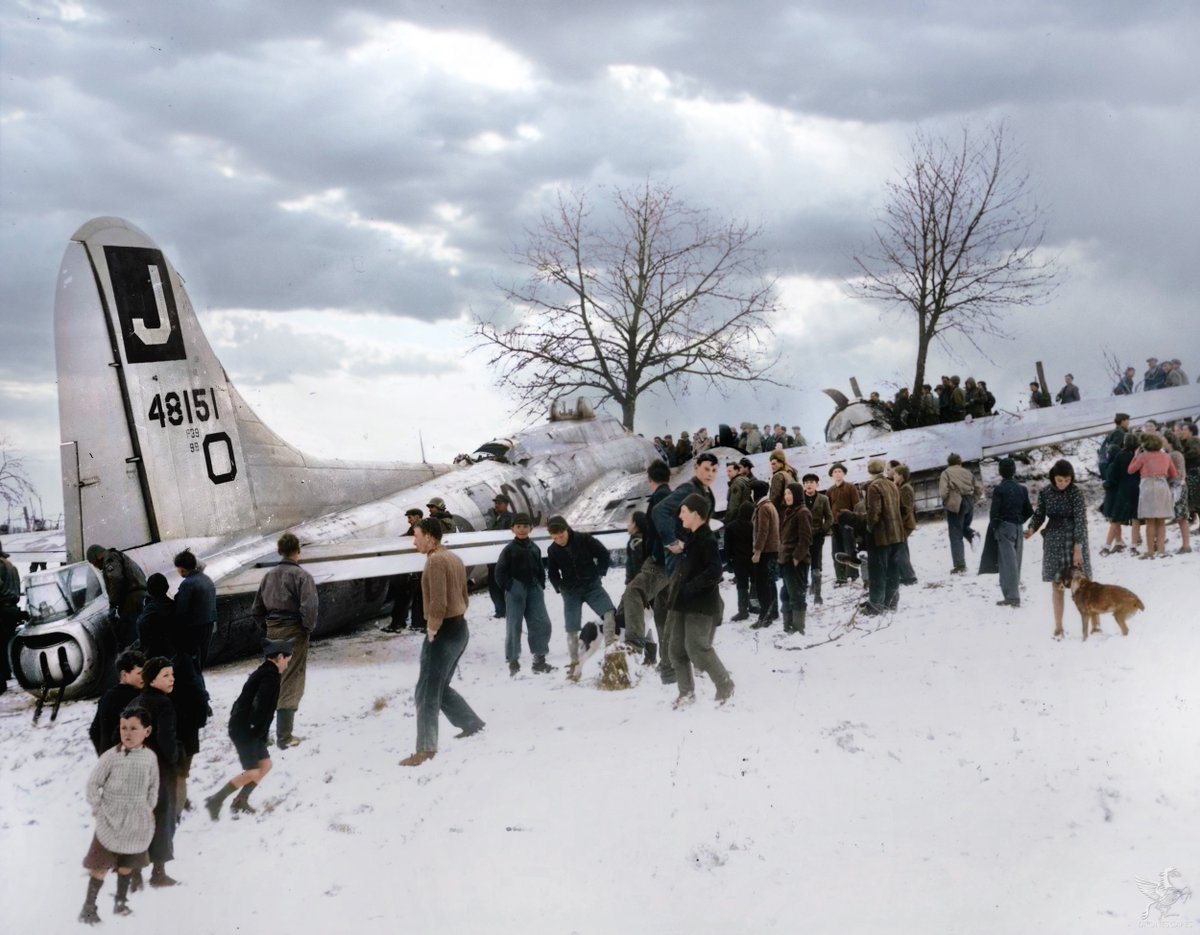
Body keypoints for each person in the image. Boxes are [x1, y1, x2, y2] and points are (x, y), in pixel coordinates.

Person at [400, 518, 486, 766]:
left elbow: (438, 602)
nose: (413, 541)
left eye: (416, 535)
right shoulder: (453, 558)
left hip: (444, 631)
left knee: (426, 691)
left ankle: (425, 749)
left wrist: (432, 629)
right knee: (439, 686)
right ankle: (471, 723)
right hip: (459, 628)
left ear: (429, 537)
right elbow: (463, 596)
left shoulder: (436, 561)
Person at [78, 707, 159, 924]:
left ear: (147, 731)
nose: (128, 733)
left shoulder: (150, 758)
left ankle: (121, 901)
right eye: (124, 728)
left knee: (127, 863)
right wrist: (98, 806)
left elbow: (153, 786)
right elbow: (93, 783)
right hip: (111, 818)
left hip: (137, 821)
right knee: (101, 866)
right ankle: (89, 907)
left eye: (134, 728)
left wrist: (147, 807)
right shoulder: (110, 757)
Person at [204, 639, 294, 819]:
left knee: (266, 765)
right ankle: (215, 800)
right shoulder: (269, 676)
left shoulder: (267, 672)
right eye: (287, 660)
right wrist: (255, 731)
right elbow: (259, 706)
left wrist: (262, 733)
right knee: (252, 771)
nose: (287, 664)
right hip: (245, 729)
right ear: (279, 657)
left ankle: (240, 801)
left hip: (251, 729)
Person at [650, 452, 719, 682]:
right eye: (706, 468)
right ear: (696, 468)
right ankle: (671, 667)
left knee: (708, 607)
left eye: (714, 470)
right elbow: (660, 511)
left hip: (693, 557)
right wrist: (672, 541)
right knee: (677, 609)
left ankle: (690, 657)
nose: (710, 474)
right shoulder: (688, 489)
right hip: (681, 560)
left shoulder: (703, 491)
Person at [664, 494, 734, 707]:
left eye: (684, 511)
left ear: (696, 514)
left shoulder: (707, 540)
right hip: (682, 603)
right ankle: (686, 693)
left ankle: (725, 685)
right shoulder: (692, 537)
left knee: (696, 648)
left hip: (701, 605)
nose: (680, 515)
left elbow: (715, 571)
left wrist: (691, 587)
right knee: (675, 650)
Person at [251, 531, 318, 748]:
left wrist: (269, 627)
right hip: (294, 632)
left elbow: (257, 609)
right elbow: (310, 607)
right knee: (291, 680)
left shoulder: (268, 576)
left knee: (271, 679)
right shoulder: (303, 576)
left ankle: (261, 733)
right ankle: (285, 736)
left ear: (280, 552)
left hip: (273, 631)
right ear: (298, 551)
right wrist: (305, 628)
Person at [1025, 459, 1092, 640]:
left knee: (1083, 584)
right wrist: (1032, 528)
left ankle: (1095, 625)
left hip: (1073, 539)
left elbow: (1080, 521)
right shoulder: (1046, 492)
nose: (1063, 484)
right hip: (1054, 540)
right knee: (1057, 585)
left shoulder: (1076, 494)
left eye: (1067, 480)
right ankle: (1058, 627)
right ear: (1053, 477)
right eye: (1059, 480)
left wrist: (1078, 547)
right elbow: (1039, 514)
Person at [546, 515, 616, 681]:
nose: (559, 540)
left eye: (561, 536)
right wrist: (560, 587)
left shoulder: (584, 539)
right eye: (554, 538)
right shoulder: (552, 550)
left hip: (592, 586)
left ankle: (611, 653)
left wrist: (600, 573)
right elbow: (552, 573)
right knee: (571, 629)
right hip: (571, 592)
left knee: (609, 613)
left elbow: (603, 554)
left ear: (567, 530)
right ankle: (574, 664)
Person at [135, 656, 181, 887]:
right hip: (159, 769)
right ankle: (158, 873)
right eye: (166, 675)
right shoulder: (164, 704)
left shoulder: (136, 701)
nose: (172, 679)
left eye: (172, 674)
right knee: (163, 817)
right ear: (152, 679)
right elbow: (166, 737)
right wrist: (174, 758)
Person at [620, 461, 672, 666]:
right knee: (662, 614)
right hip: (669, 564)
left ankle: (634, 644)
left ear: (650, 480)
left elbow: (663, 528)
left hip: (659, 563)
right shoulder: (671, 496)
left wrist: (660, 552)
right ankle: (668, 662)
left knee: (633, 592)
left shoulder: (660, 497)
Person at [495, 513, 555, 676]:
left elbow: (540, 568)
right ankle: (513, 661)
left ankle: (539, 661)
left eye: (525, 526)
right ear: (512, 529)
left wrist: (540, 584)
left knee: (542, 623)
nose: (522, 530)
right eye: (518, 527)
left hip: (534, 588)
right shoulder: (508, 550)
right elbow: (499, 572)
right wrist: (510, 586)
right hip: (516, 590)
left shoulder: (534, 548)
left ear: (531, 528)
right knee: (514, 624)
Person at [987, 459, 1033, 607]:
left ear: (1000, 472)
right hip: (1018, 527)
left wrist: (995, 528)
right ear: (1014, 471)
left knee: (1007, 563)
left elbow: (994, 513)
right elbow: (1029, 511)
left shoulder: (999, 490)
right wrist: (1019, 521)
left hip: (1004, 526)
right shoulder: (1022, 489)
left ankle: (1012, 596)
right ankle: (1013, 594)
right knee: (1016, 562)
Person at [861, 460, 904, 615]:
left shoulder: (874, 486)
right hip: (896, 534)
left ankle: (876, 605)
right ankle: (891, 603)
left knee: (877, 571)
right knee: (893, 570)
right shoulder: (892, 484)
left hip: (881, 536)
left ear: (869, 471)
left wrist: (869, 527)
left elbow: (874, 512)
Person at [86, 544, 148, 651]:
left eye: (94, 563)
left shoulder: (110, 559)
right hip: (138, 596)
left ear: (97, 557)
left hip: (131, 600)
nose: (96, 566)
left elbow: (116, 579)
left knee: (132, 634)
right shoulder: (118, 556)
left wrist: (113, 602)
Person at [1128, 433, 1178, 559]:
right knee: (1161, 521)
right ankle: (1161, 550)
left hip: (1147, 487)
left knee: (1150, 521)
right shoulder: (1166, 456)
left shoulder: (1143, 456)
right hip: (1162, 486)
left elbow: (1130, 470)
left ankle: (1150, 551)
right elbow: (1174, 474)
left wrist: (1135, 456)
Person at [89, 650, 146, 756]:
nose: (143, 677)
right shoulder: (134, 699)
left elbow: (94, 732)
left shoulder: (106, 696)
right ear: (124, 675)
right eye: (139, 673)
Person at [777, 482, 813, 634]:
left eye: (790, 494)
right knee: (786, 594)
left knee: (796, 595)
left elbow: (806, 539)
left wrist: (796, 558)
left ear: (797, 495)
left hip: (796, 561)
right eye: (785, 494)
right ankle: (788, 626)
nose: (787, 497)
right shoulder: (789, 511)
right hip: (785, 559)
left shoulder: (803, 512)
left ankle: (798, 629)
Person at [939, 454, 984, 574]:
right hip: (969, 501)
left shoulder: (946, 473)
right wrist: (973, 499)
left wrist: (948, 501)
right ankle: (972, 535)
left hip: (955, 504)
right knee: (963, 527)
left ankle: (960, 566)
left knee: (955, 534)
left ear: (949, 463)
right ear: (960, 462)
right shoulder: (967, 472)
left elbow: (943, 491)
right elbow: (979, 488)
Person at [383, 508, 426, 633]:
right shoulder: (420, 528)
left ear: (418, 517)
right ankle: (417, 624)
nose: (408, 521)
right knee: (417, 598)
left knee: (403, 597)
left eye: (410, 518)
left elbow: (413, 542)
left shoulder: (419, 529)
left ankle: (398, 623)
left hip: (413, 570)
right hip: (416, 570)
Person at [172, 549, 217, 669]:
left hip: (194, 629)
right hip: (208, 624)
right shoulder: (207, 579)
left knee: (192, 664)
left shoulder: (187, 584)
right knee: (201, 661)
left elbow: (181, 612)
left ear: (182, 569)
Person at [1100, 433, 1140, 554]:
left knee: (1116, 518)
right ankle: (1134, 545)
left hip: (1123, 489)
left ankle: (1107, 546)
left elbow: (1113, 476)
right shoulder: (1138, 456)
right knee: (1135, 518)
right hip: (1137, 488)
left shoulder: (1120, 456)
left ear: (1124, 443)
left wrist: (1108, 484)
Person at [749, 480, 780, 629]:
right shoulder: (769, 505)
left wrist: (757, 552)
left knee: (763, 585)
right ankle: (772, 613)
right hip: (771, 551)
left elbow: (763, 531)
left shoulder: (763, 508)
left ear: (756, 493)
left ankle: (764, 617)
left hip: (766, 552)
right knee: (770, 583)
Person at [826, 463, 861, 586]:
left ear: (844, 473)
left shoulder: (851, 488)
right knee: (836, 551)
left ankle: (853, 575)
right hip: (835, 525)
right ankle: (841, 578)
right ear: (832, 475)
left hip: (848, 525)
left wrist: (854, 522)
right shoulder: (830, 491)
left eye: (839, 471)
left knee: (849, 549)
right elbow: (827, 508)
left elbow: (857, 506)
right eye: (835, 472)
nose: (837, 474)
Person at [0, 541, 27, 694]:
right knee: (6, 644)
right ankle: (9, 673)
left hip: (2, 609)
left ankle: (2, 678)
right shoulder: (10, 565)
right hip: (12, 609)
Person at [484, 494, 515, 619]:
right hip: (493, 558)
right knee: (494, 586)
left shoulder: (511, 518)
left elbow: (507, 536)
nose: (496, 505)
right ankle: (500, 610)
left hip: (504, 559)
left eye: (499, 503)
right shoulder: (494, 518)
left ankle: (508, 610)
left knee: (505, 586)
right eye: (496, 503)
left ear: (506, 504)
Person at [723, 502, 755, 621]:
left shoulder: (731, 526)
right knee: (754, 582)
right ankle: (753, 605)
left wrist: (729, 561)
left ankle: (742, 610)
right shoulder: (752, 526)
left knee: (742, 585)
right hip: (751, 560)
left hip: (738, 560)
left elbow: (727, 546)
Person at [134, 573, 176, 659]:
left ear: (149, 590)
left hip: (157, 651)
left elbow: (141, 624)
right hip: (174, 650)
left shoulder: (152, 608)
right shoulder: (173, 605)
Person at [890, 465, 919, 586]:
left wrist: (898, 523)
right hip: (904, 523)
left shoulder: (905, 488)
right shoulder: (901, 487)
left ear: (902, 476)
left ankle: (909, 577)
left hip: (905, 524)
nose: (893, 476)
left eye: (896, 474)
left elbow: (907, 508)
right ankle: (907, 575)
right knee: (902, 549)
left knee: (900, 550)